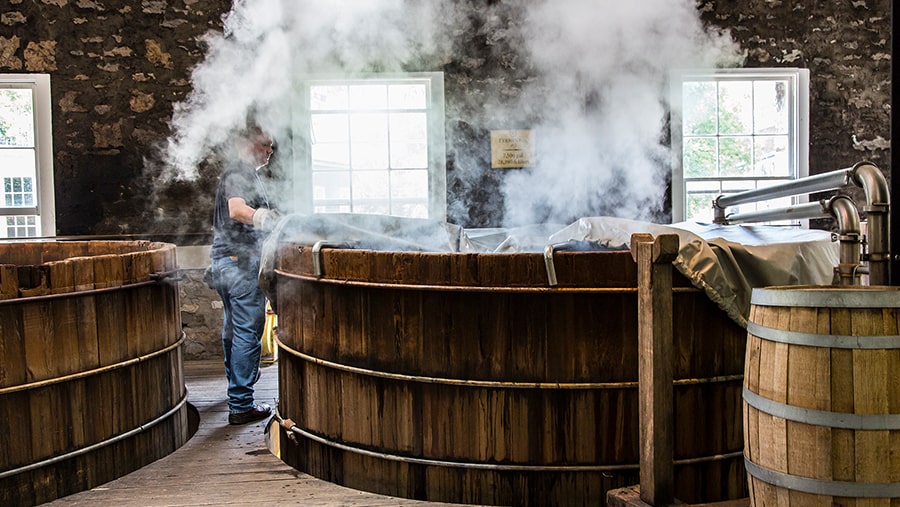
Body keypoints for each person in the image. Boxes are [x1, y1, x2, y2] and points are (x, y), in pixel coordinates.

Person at [208, 124, 280, 425]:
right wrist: (265, 217)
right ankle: (241, 405)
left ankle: (234, 390)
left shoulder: (240, 174)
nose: (270, 151)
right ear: (250, 145)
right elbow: (237, 210)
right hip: (240, 264)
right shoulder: (240, 171)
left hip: (225, 263)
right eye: (266, 145)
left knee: (232, 331)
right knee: (247, 333)